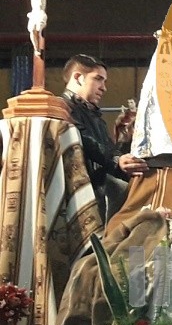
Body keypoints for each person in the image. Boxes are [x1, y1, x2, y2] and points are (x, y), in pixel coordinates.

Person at [60, 54, 148, 220]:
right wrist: (116, 159)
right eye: (98, 79)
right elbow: (84, 140)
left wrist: (123, 139)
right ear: (78, 78)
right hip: (76, 198)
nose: (104, 88)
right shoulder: (61, 109)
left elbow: (106, 157)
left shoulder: (94, 115)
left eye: (104, 81)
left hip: (95, 194)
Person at [4, 0, 74, 55]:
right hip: (33, 14)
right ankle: (36, 49)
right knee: (32, 30)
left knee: (38, 29)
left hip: (40, 14)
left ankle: (41, 33)